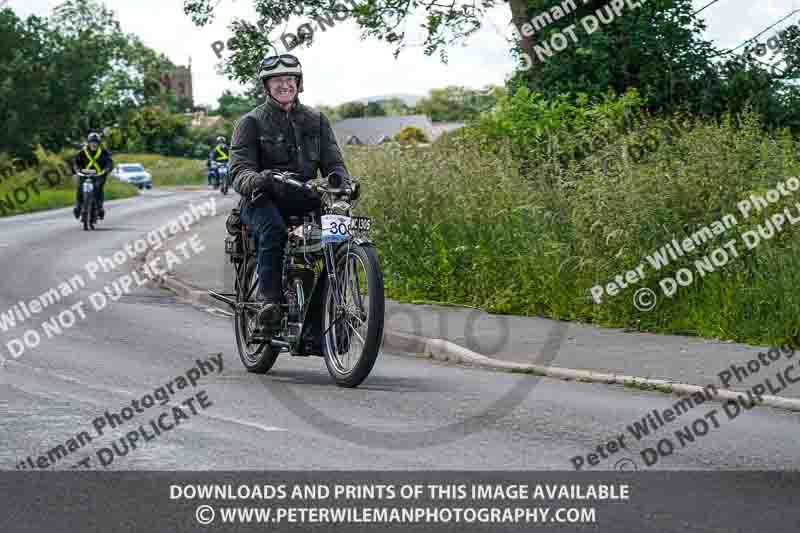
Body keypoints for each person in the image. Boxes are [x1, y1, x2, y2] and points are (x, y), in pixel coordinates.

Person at [229, 53, 350, 331]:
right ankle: (268, 303)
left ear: (298, 83)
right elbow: (238, 170)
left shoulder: (316, 120)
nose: (284, 85)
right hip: (262, 199)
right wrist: (259, 180)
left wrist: (341, 183)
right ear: (267, 86)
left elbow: (334, 164)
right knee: (273, 231)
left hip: (305, 198)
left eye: (289, 79)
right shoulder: (251, 122)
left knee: (340, 236)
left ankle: (332, 310)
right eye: (277, 81)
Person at [72, 132, 113, 220]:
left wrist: (106, 170)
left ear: (99, 143)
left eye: (96, 142)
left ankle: (99, 208)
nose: (94, 144)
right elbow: (76, 162)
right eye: (92, 142)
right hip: (84, 175)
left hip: (98, 175)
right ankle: (78, 207)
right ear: (88, 143)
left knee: (98, 188)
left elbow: (109, 163)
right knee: (79, 188)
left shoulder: (104, 153)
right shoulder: (82, 152)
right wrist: (77, 170)